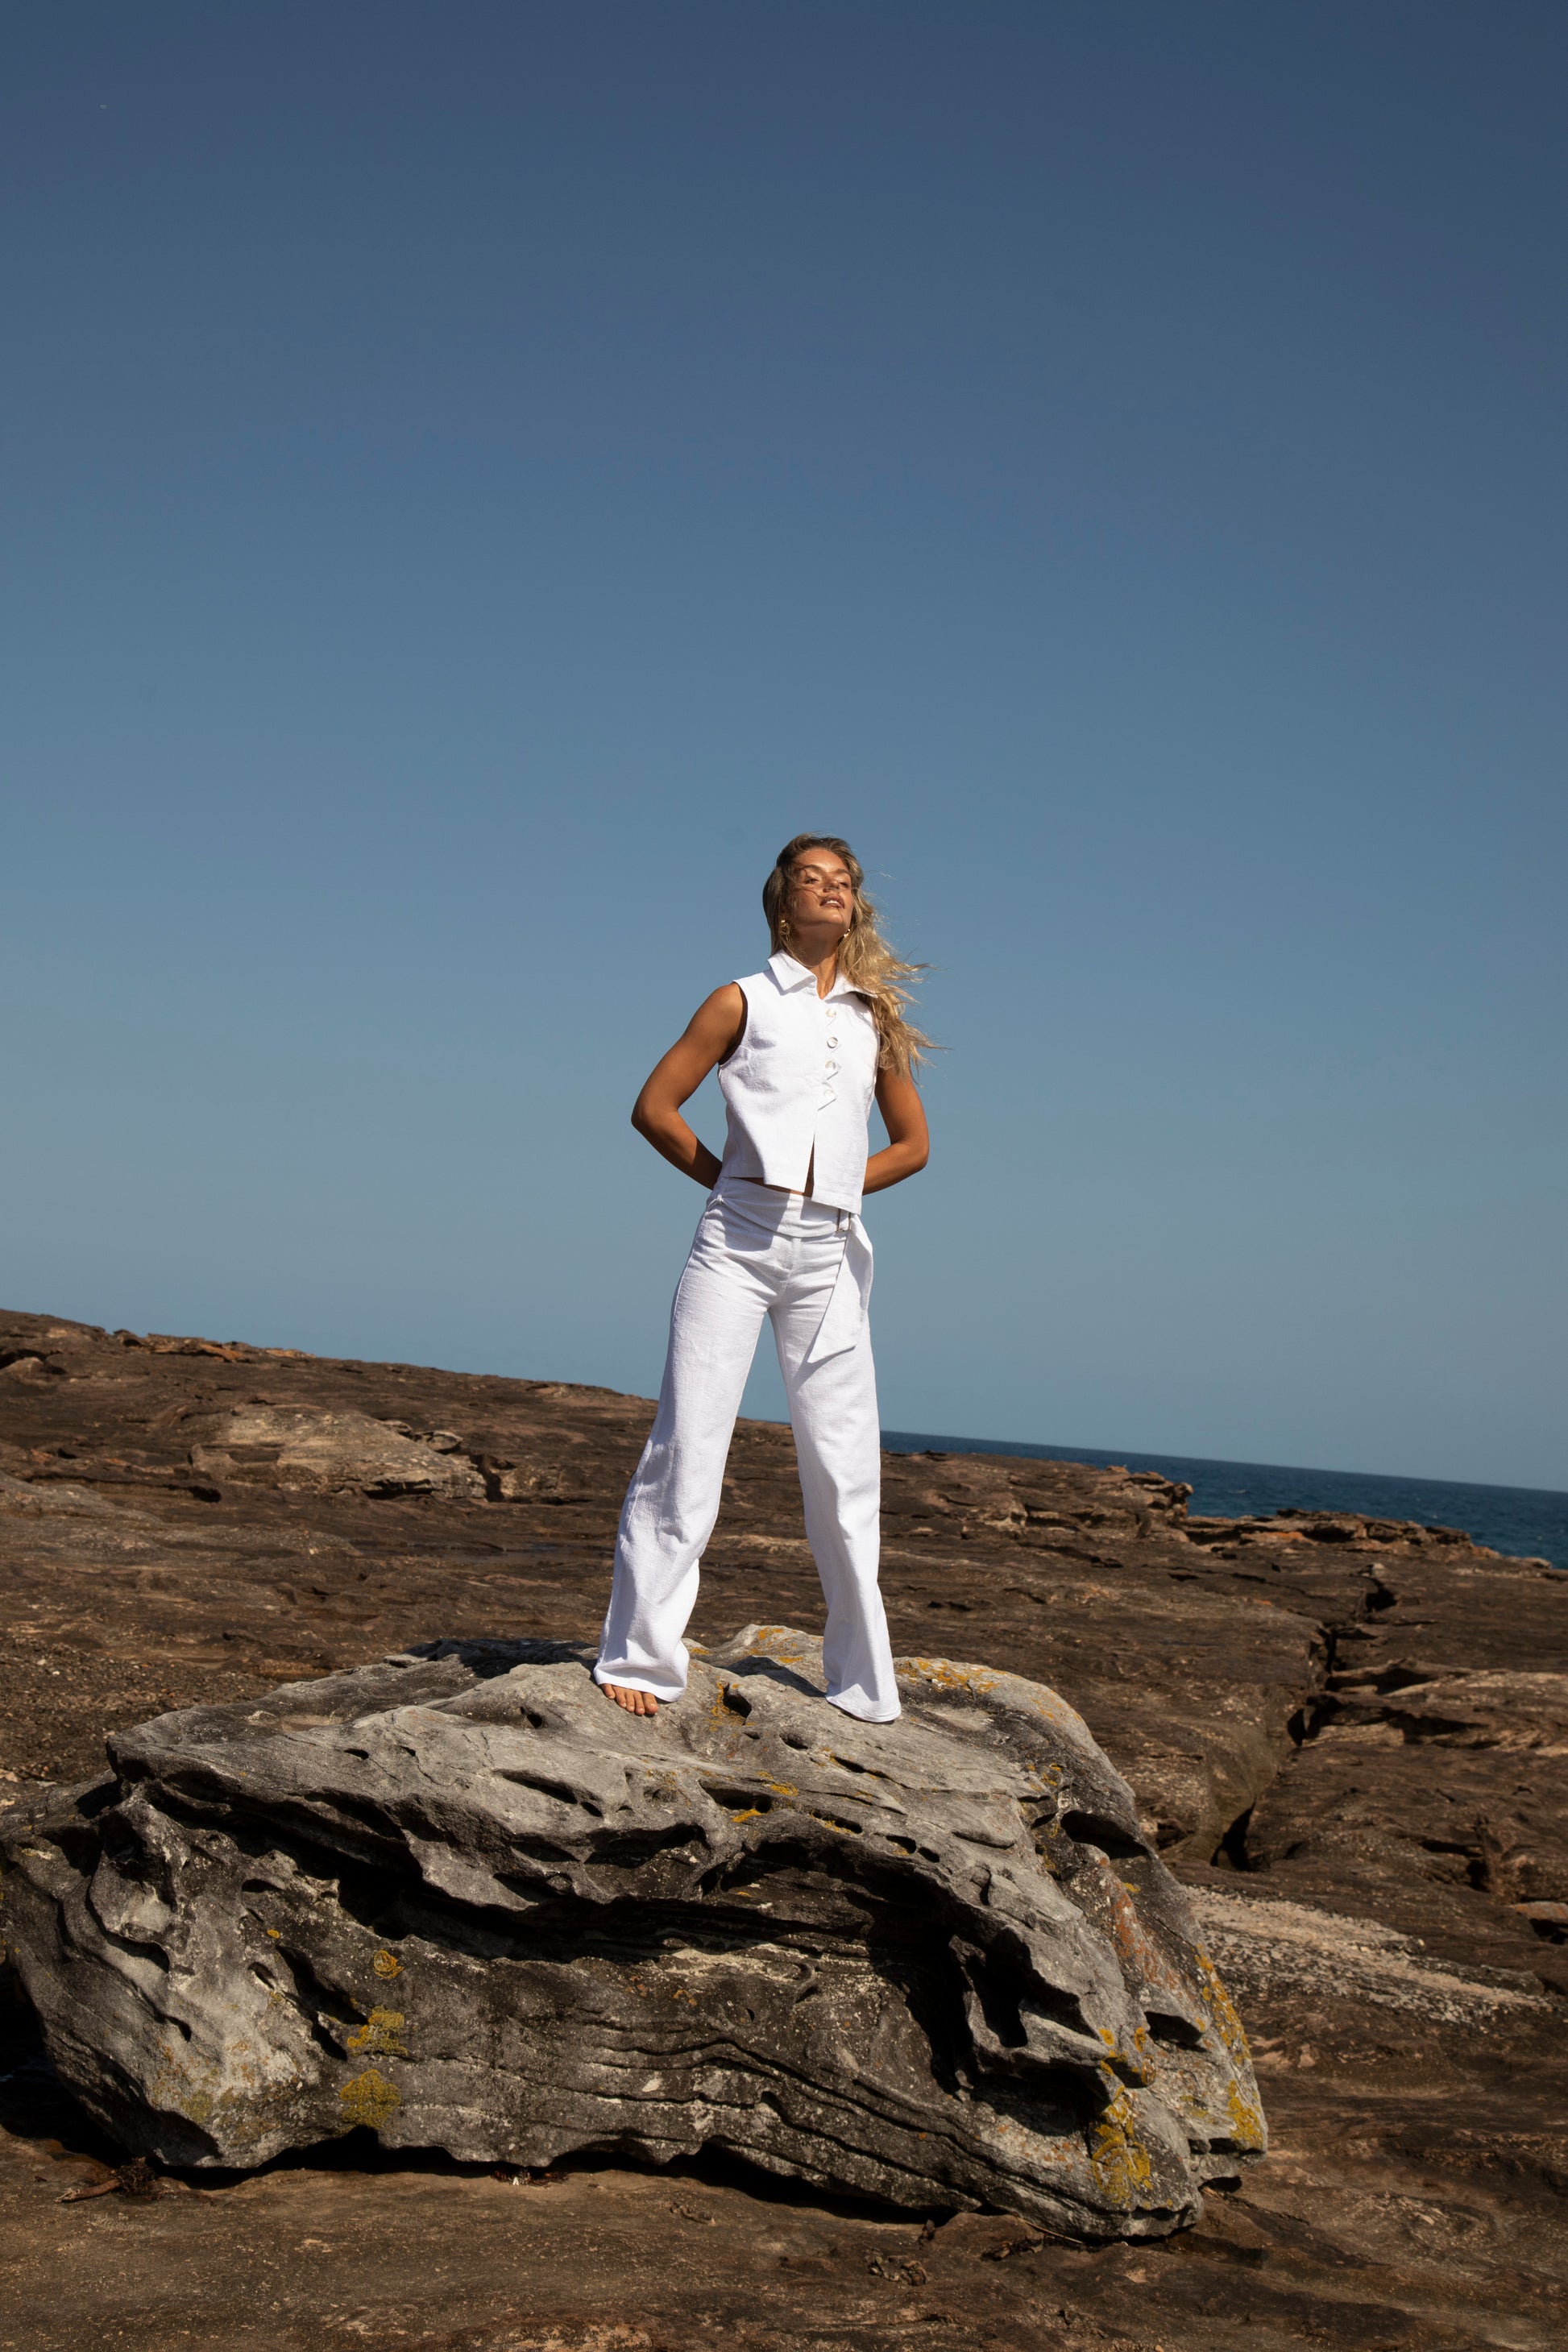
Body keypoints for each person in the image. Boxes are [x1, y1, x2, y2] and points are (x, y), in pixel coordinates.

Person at [594, 834, 931, 1723]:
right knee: (690, 1445)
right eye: (812, 879)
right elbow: (654, 1108)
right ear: (783, 901)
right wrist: (729, 1182)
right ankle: (639, 1655)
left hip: (830, 1253)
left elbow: (913, 1146)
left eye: (843, 882)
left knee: (845, 1469)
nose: (830, 891)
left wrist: (836, 1185)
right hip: (736, 1242)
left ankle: (862, 1682)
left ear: (854, 906)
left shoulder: (873, 1018)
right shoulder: (737, 1000)